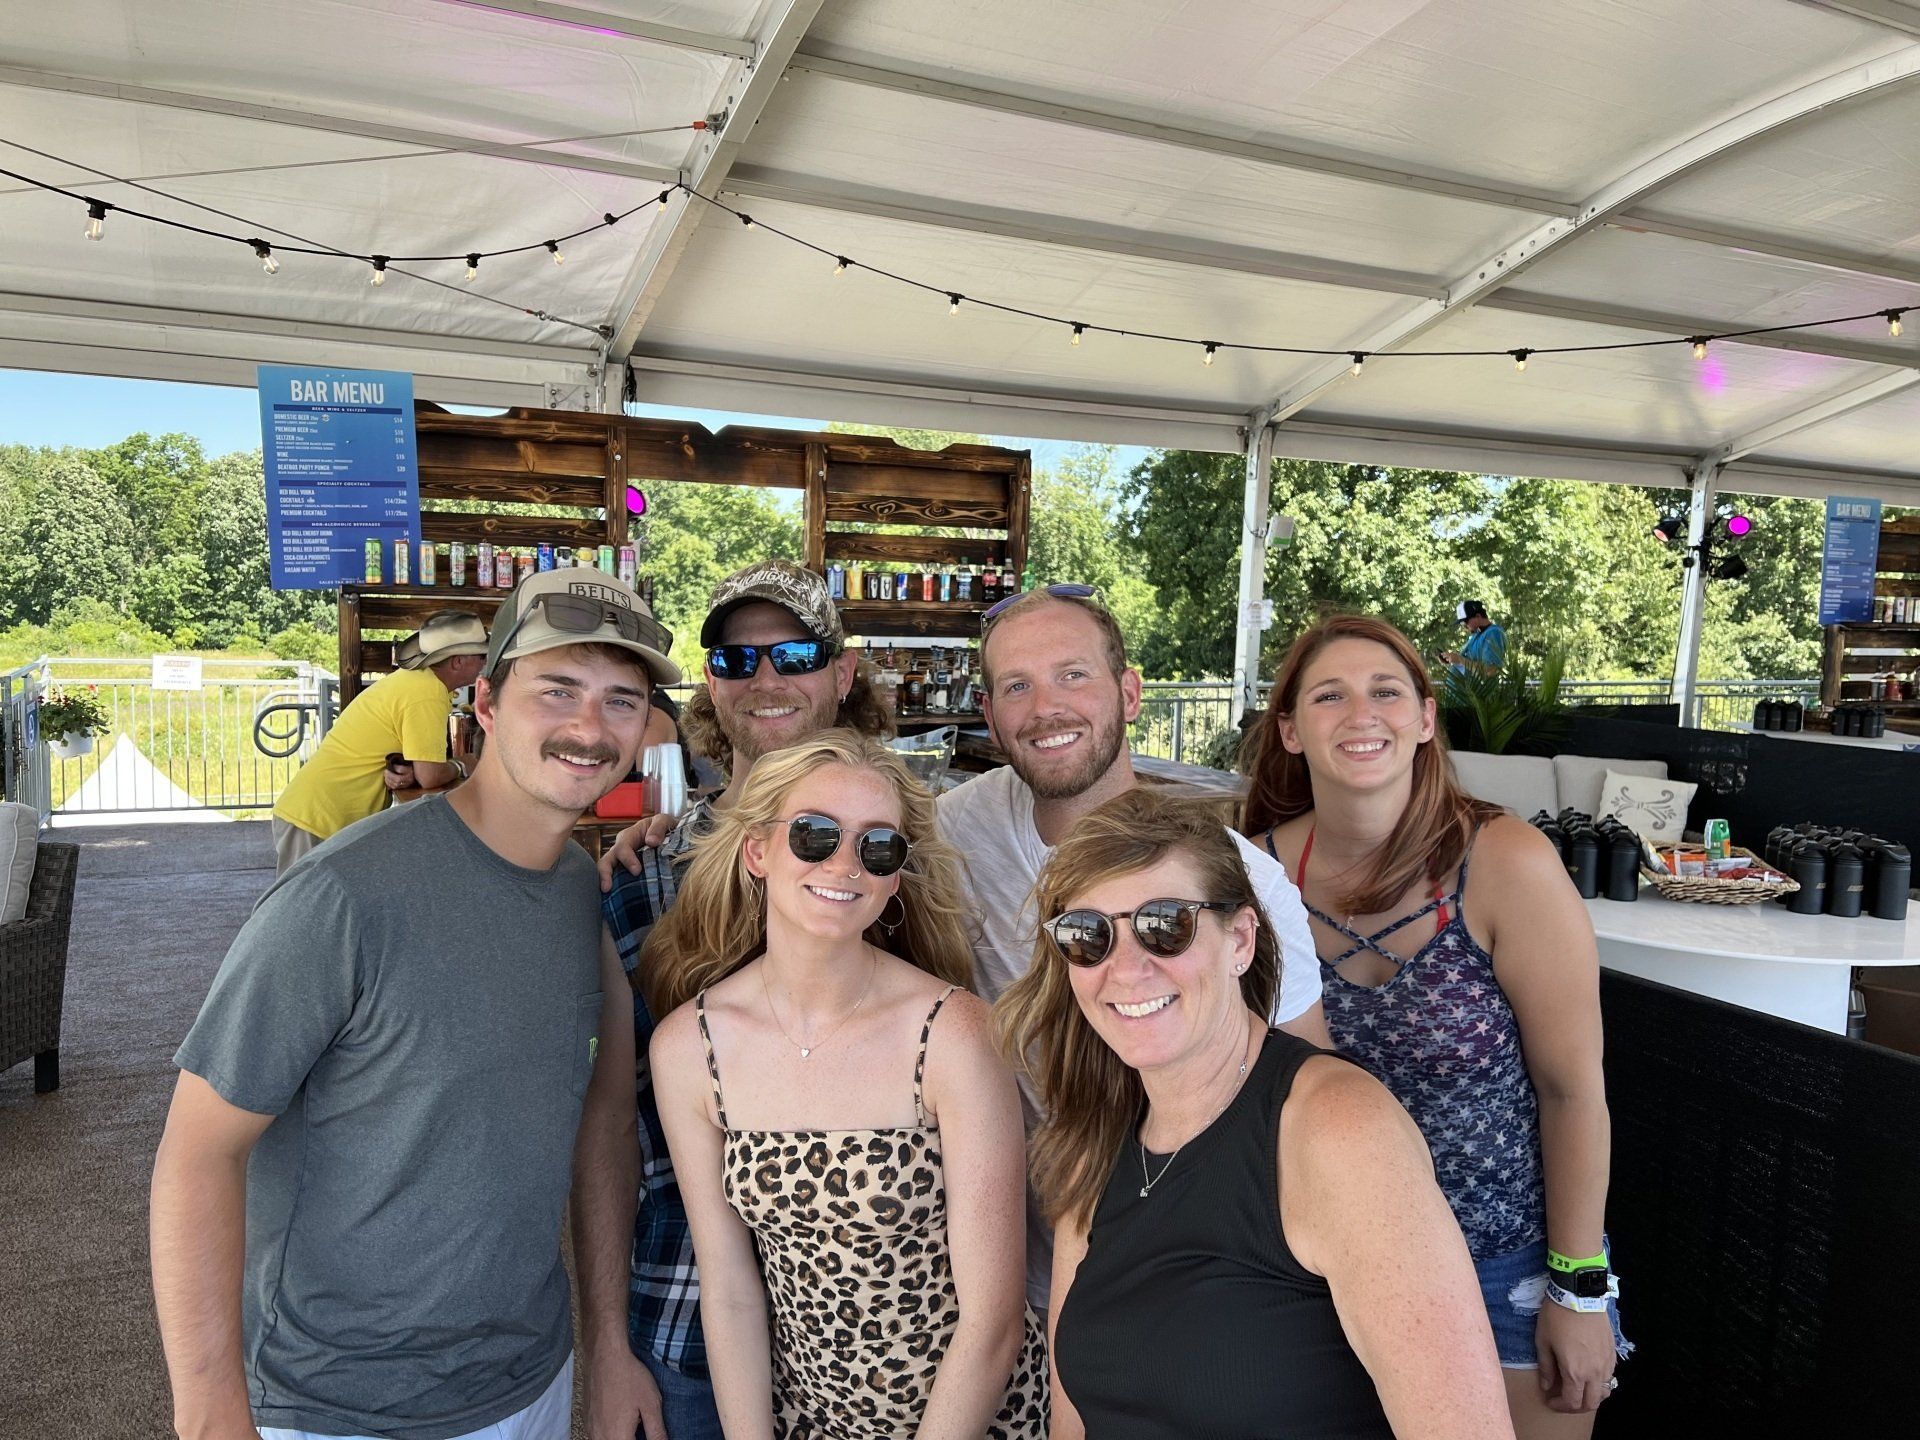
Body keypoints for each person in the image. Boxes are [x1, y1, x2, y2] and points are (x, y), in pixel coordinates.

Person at [151, 569, 678, 1440]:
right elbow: (198, 1153)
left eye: (622, 701)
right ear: (486, 703)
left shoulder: (580, 890)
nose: (590, 728)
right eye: (558, 689)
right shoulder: (344, 895)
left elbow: (604, 1124)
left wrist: (610, 1346)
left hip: (529, 1383)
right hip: (336, 1407)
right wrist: (210, 1417)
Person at [997, 787, 1512, 1439]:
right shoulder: (1093, 1141)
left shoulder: (1336, 1131)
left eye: (1165, 925)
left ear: (1240, 938)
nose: (1125, 970)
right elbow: (1072, 1423)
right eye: (1087, 935)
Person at [1242, 613, 1626, 1438]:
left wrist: (1578, 1287)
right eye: (1329, 695)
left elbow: (1572, 1090)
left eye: (1386, 692)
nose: (1361, 714)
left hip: (1508, 1265)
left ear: (1424, 718)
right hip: (1326, 1268)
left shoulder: (1504, 861)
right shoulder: (1253, 873)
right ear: (1291, 730)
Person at [932, 582, 1331, 1310]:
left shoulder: (1244, 881)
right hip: (1020, 1269)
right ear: (989, 716)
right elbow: (839, 854)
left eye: (1073, 674)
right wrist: (662, 824)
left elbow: (1309, 1075)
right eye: (1017, 685)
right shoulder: (959, 828)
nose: (1046, 706)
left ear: (1130, 692)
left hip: (1199, 1265)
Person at [647, 730, 1048, 1439]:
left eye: (878, 846)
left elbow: (993, 1320)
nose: (845, 863)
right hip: (808, 1420)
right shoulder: (689, 1047)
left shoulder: (953, 1034)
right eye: (814, 834)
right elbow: (732, 1289)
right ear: (758, 851)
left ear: (895, 876)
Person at [588, 559, 895, 1440]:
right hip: (686, 1313)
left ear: (842, 674)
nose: (764, 679)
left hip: (882, 1332)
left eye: (793, 653)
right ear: (710, 690)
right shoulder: (646, 878)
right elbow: (611, 1127)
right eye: (733, 660)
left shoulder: (912, 856)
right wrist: (608, 1344)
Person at [269, 609, 489, 874]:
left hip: (318, 816)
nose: (484, 663)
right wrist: (462, 765)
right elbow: (430, 776)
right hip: (317, 820)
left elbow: (409, 764)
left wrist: (408, 773)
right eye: (481, 656)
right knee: (298, 913)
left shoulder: (416, 682)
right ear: (456, 662)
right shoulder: (427, 694)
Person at [1440, 599, 1507, 674]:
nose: (1464, 626)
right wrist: (1451, 658)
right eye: (1461, 624)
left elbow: (1490, 670)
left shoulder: (1494, 633)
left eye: (1465, 622)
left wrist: (1460, 660)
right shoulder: (1477, 635)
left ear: (1478, 616)